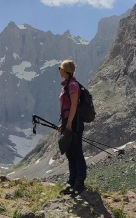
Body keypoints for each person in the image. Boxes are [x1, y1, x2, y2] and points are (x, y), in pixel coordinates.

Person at [58, 59, 86, 194]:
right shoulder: (67, 85)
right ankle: (72, 180)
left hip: (74, 122)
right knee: (69, 152)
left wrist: (69, 122)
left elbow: (74, 105)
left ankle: (80, 180)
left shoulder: (73, 85)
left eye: (60, 68)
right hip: (68, 121)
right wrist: (63, 123)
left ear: (65, 70)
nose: (59, 70)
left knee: (76, 151)